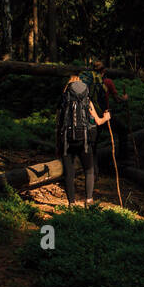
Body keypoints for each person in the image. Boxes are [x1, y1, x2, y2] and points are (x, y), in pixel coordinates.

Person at [56, 73, 111, 206]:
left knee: (69, 173)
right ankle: (89, 200)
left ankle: (71, 203)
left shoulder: (64, 98)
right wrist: (106, 117)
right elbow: (98, 121)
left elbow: (58, 123)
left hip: (66, 140)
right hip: (84, 140)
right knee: (89, 170)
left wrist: (58, 142)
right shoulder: (87, 99)